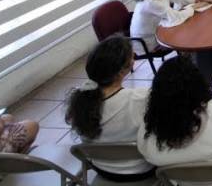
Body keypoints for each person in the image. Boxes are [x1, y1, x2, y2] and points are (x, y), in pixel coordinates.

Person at [65, 36, 155, 181]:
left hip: (102, 170)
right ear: (122, 70)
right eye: (132, 56)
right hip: (141, 171)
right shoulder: (140, 99)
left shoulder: (79, 100)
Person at [129, 0, 210, 54]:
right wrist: (193, 7)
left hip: (158, 30)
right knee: (188, 35)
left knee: (187, 29)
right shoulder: (151, 2)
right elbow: (175, 18)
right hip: (148, 44)